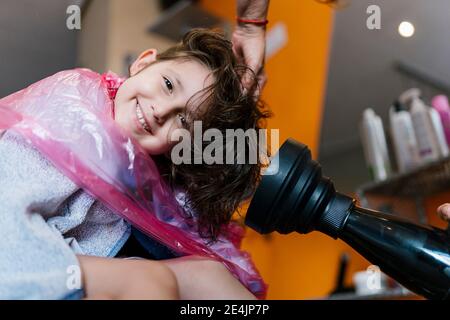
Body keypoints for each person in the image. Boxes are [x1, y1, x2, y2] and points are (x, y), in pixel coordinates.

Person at [0, 28, 269, 299]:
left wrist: (233, 119)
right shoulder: (71, 116)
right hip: (19, 256)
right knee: (149, 282)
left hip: (74, 255)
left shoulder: (144, 167)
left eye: (184, 121)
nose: (161, 111)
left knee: (207, 274)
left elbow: (186, 217)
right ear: (144, 63)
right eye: (168, 85)